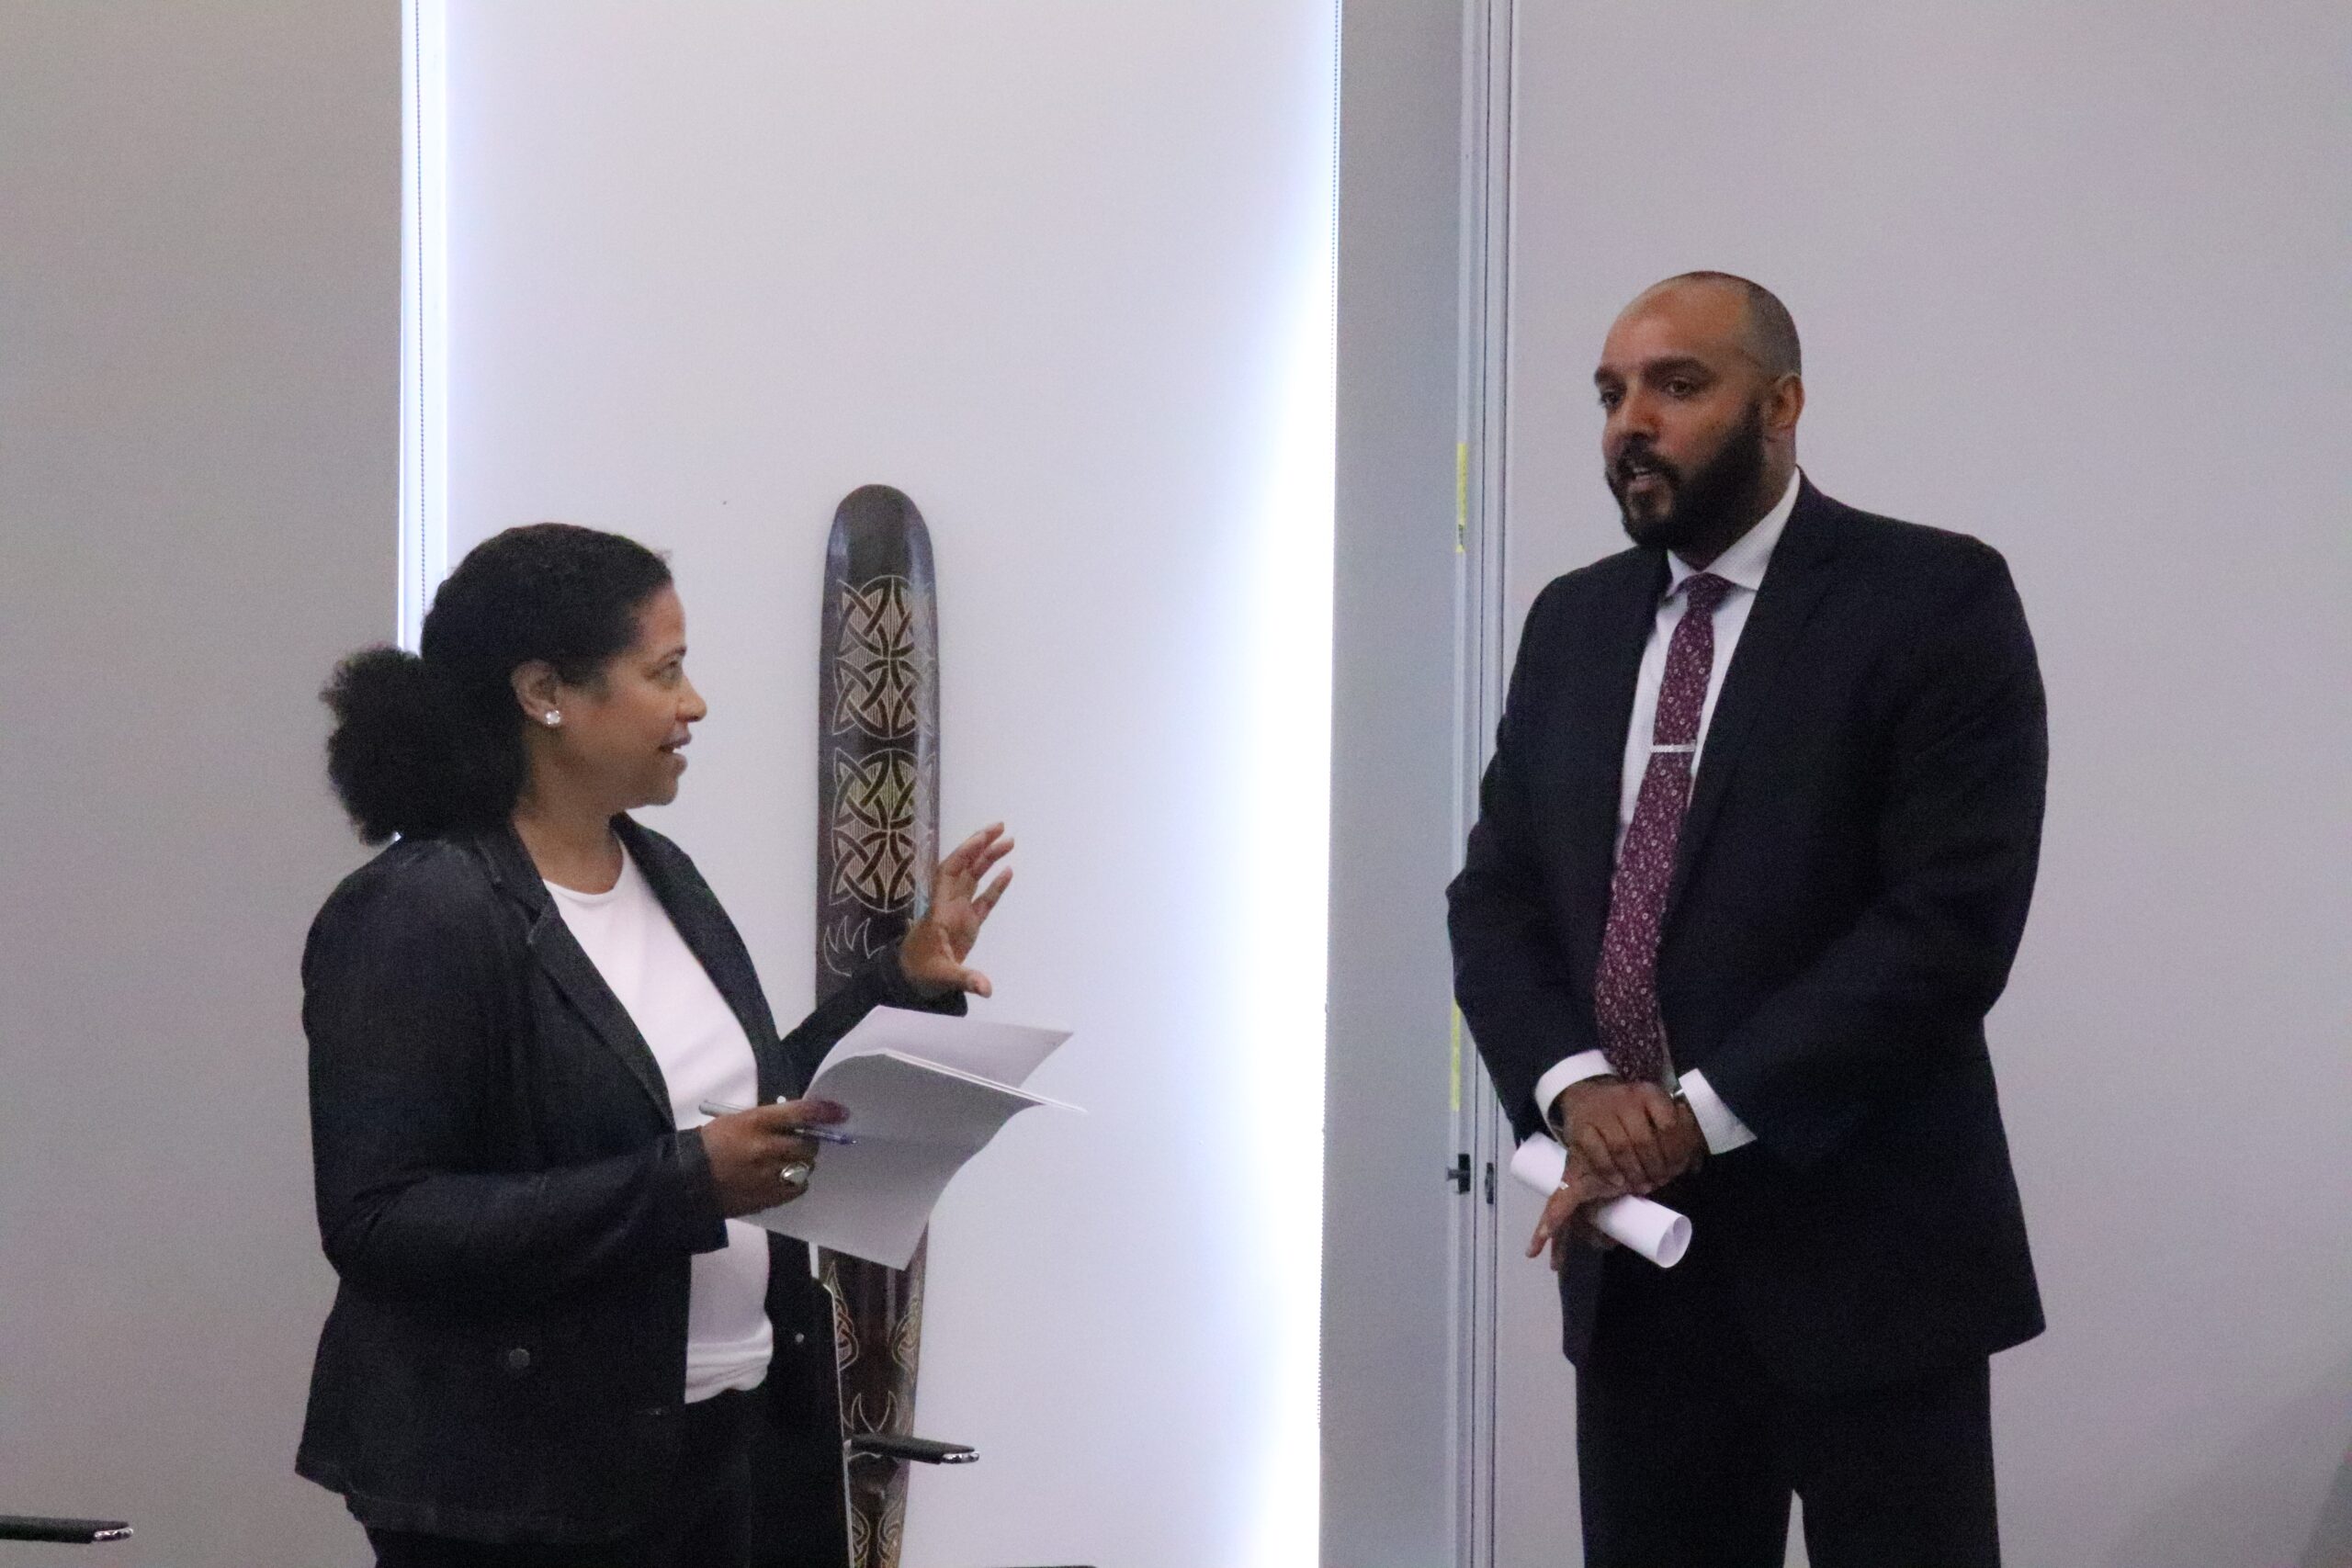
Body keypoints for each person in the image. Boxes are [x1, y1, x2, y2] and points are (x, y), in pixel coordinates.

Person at [1448, 274, 2046, 1566]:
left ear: (1781, 403)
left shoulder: (1930, 598)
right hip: (1645, 1274)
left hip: (1870, 1252)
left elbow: (1947, 923)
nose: (1630, 422)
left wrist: (1687, 1116)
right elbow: (1497, 896)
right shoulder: (1573, 623)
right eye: (1611, 392)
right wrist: (1575, 1087)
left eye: (1677, 383)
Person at [298, 523, 1014, 1568]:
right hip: (520, 1486)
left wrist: (897, 985)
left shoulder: (658, 869)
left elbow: (740, 1113)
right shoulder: (422, 912)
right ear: (546, 692)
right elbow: (382, 1221)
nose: (694, 704)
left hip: (725, 1435)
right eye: (664, 671)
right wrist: (683, 1184)